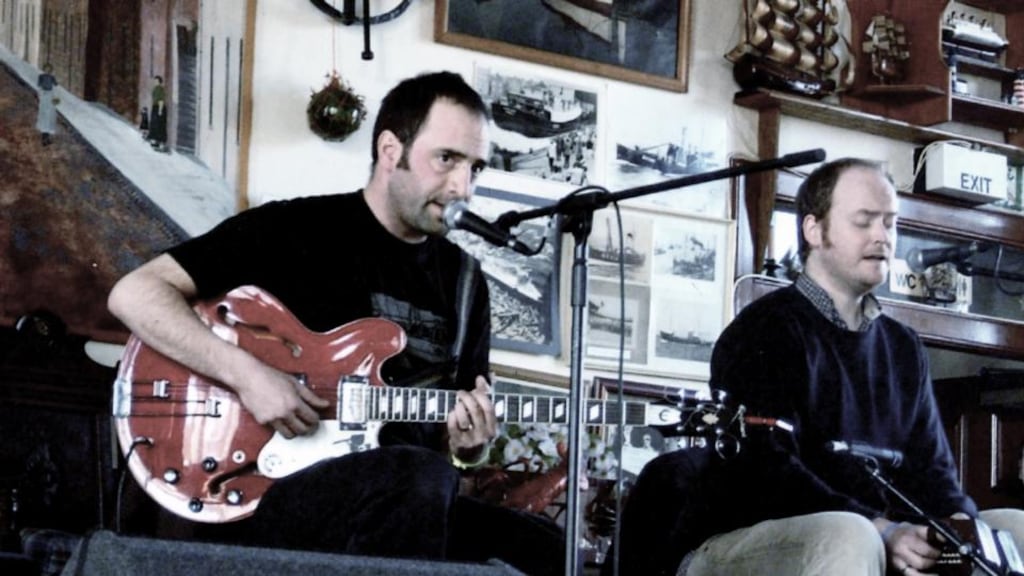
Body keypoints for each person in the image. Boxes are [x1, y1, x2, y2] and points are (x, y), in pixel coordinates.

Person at [107, 71, 562, 575]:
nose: (463, 186)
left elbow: (455, 435)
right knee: (417, 477)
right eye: (447, 159)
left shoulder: (466, 283)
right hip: (271, 488)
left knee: (544, 549)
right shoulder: (291, 229)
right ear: (391, 150)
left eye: (475, 168)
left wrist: (468, 449)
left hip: (403, 499)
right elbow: (135, 294)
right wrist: (248, 376)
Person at [609, 158, 1024, 576]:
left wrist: (960, 531)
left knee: (1015, 530)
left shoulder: (904, 348)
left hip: (870, 532)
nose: (883, 236)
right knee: (850, 536)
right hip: (747, 538)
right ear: (814, 230)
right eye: (864, 221)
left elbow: (933, 474)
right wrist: (883, 529)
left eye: (890, 223)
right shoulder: (762, 330)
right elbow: (767, 477)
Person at [36, 63, 58, 146]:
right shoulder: (41, 77)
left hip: (50, 98)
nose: (47, 70)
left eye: (49, 69)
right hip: (44, 98)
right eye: (46, 69)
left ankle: (47, 138)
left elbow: (55, 87)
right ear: (44, 69)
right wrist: (41, 95)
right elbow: (39, 87)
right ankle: (43, 139)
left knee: (50, 118)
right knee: (44, 118)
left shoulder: (52, 77)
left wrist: (55, 101)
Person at [148, 75, 167, 151]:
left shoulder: (160, 89)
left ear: (159, 82)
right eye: (154, 81)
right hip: (155, 107)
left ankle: (161, 142)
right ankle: (155, 140)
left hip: (159, 107)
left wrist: (160, 110)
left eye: (156, 81)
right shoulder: (155, 89)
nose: (155, 82)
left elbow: (161, 100)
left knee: (159, 125)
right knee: (154, 123)